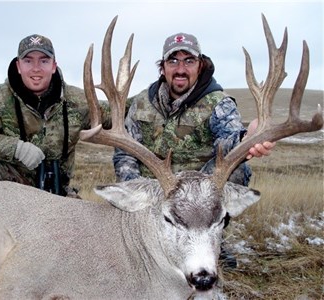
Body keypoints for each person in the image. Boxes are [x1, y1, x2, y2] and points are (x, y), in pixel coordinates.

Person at [112, 33, 275, 268]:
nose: (180, 68)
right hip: (157, 191)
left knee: (238, 169)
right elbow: (125, 151)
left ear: (200, 65)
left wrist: (246, 139)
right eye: (173, 61)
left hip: (200, 194)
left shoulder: (218, 103)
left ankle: (208, 238)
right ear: (163, 67)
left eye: (189, 61)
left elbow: (227, 141)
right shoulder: (141, 103)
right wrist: (135, 190)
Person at [0, 34, 110, 197]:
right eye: (28, 61)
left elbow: (120, 113)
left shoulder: (79, 101)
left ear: (54, 66)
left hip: (59, 192)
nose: (36, 68)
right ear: (18, 66)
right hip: (11, 189)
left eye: (44, 61)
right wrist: (16, 148)